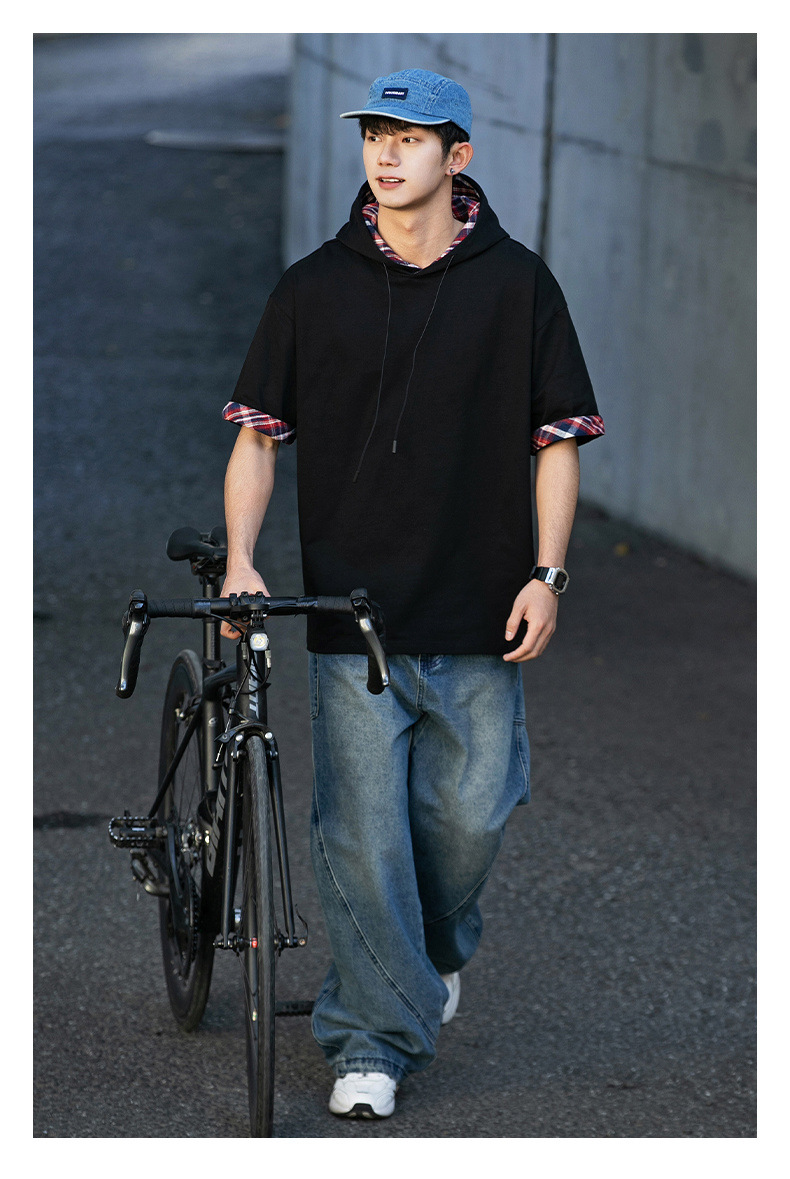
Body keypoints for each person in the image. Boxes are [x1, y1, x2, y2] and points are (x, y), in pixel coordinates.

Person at [220, 68, 604, 1120]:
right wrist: (243, 556)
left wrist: (548, 574)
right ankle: (371, 1042)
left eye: (411, 136)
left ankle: (426, 957)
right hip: (352, 618)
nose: (386, 154)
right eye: (374, 135)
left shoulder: (518, 285)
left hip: (480, 610)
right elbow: (257, 435)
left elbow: (557, 441)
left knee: (468, 818)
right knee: (363, 837)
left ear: (458, 155)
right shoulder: (313, 288)